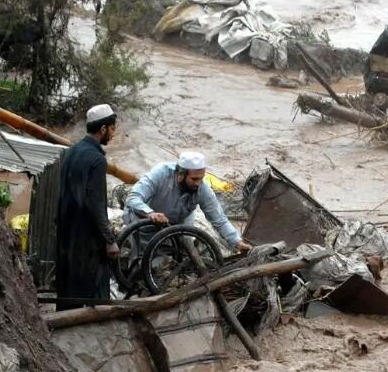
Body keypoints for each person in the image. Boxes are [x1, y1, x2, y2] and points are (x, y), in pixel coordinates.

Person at [56, 104, 120, 310]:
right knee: (97, 290)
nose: (113, 133)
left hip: (66, 231)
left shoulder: (72, 151)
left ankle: (63, 325)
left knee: (67, 287)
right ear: (102, 129)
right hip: (87, 237)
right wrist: (109, 240)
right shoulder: (97, 159)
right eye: (112, 128)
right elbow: (96, 203)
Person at [122, 151, 252, 252]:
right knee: (145, 260)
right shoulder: (161, 173)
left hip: (177, 224)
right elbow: (133, 197)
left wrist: (237, 242)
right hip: (144, 222)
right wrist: (151, 214)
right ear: (180, 175)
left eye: (201, 179)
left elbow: (219, 219)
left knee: (184, 253)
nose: (198, 183)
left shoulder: (202, 188)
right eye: (194, 179)